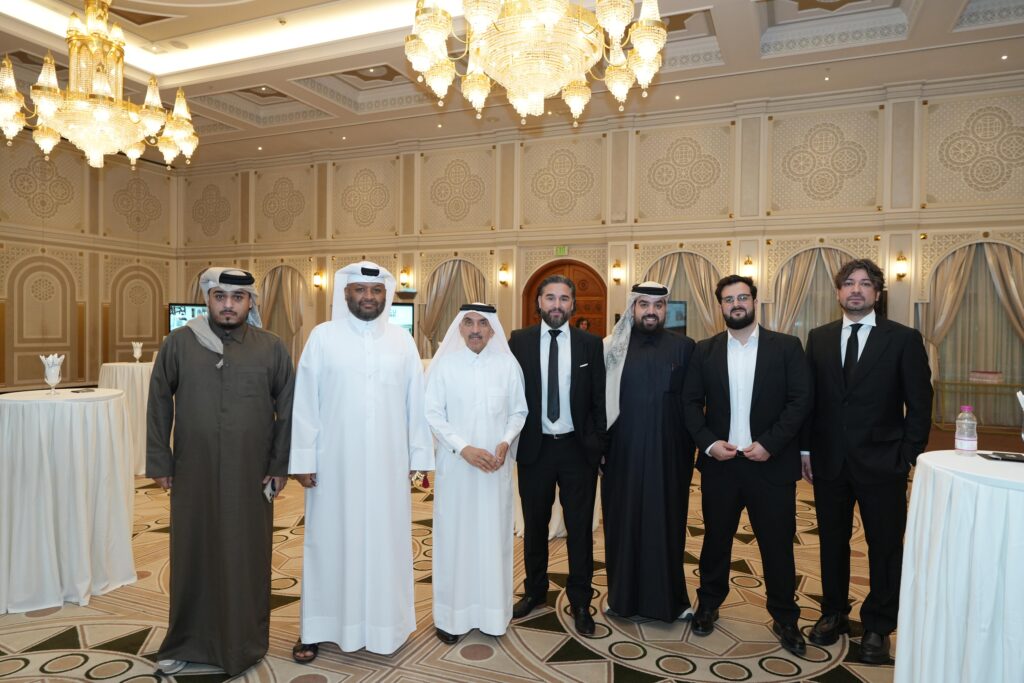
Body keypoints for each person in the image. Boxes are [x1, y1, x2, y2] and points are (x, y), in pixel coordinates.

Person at [146, 267, 294, 677]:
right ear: (207, 299)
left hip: (252, 473)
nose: (228, 305)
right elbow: (158, 401)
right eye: (220, 296)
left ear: (251, 302)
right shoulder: (180, 343)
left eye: (238, 297)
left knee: (246, 555)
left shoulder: (271, 347)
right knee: (192, 553)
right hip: (192, 469)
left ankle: (244, 644)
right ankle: (185, 641)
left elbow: (288, 409)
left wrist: (279, 465)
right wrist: (159, 460)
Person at [289, 261, 433, 662]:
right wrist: (303, 457)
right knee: (329, 543)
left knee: (386, 544)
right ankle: (318, 627)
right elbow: (305, 402)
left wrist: (419, 456)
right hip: (333, 466)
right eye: (360, 290)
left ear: (386, 295)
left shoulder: (402, 341)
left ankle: (387, 626)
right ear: (345, 293)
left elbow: (415, 403)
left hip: (389, 464)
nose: (368, 297)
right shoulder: (322, 337)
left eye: (376, 291)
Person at [802, 259, 932, 664]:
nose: (855, 290)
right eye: (848, 283)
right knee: (832, 542)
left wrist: (907, 455)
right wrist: (805, 450)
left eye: (864, 283)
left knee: (885, 546)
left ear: (877, 292)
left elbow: (920, 402)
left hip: (883, 463)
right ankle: (834, 612)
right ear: (838, 292)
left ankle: (878, 624)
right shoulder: (819, 337)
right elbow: (809, 400)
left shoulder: (903, 338)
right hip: (829, 462)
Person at [682, 274, 812, 656]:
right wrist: (709, 444)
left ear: (755, 301)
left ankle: (785, 617)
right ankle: (709, 604)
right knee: (715, 540)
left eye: (742, 297)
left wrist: (770, 444)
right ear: (720, 306)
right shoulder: (704, 350)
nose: (736, 304)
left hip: (770, 465)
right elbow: (689, 403)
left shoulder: (786, 347)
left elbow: (800, 400)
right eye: (728, 299)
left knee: (777, 545)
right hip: (721, 465)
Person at [508, 275, 607, 636]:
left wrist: (598, 446)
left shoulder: (589, 344)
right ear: (539, 302)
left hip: (576, 450)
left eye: (564, 298)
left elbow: (599, 398)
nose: (556, 305)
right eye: (550, 297)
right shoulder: (519, 341)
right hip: (534, 449)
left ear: (573, 304)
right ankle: (535, 591)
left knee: (580, 530)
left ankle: (581, 601)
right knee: (535, 527)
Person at [425, 303, 528, 644]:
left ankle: (492, 616)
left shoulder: (507, 365)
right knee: (455, 540)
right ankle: (450, 618)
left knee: (493, 541)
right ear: (460, 327)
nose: (475, 329)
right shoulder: (445, 366)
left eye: (482, 323)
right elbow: (433, 414)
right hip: (457, 468)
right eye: (468, 322)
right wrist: (463, 448)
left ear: (492, 329)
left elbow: (519, 411)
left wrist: (505, 440)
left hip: (495, 469)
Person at [602, 281, 696, 622]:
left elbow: (693, 403)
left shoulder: (685, 347)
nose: (651, 311)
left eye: (658, 305)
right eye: (644, 304)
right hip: (622, 453)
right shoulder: (611, 347)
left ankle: (671, 601)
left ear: (666, 309)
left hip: (669, 454)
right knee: (623, 523)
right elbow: (598, 402)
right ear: (633, 308)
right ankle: (621, 599)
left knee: (666, 523)